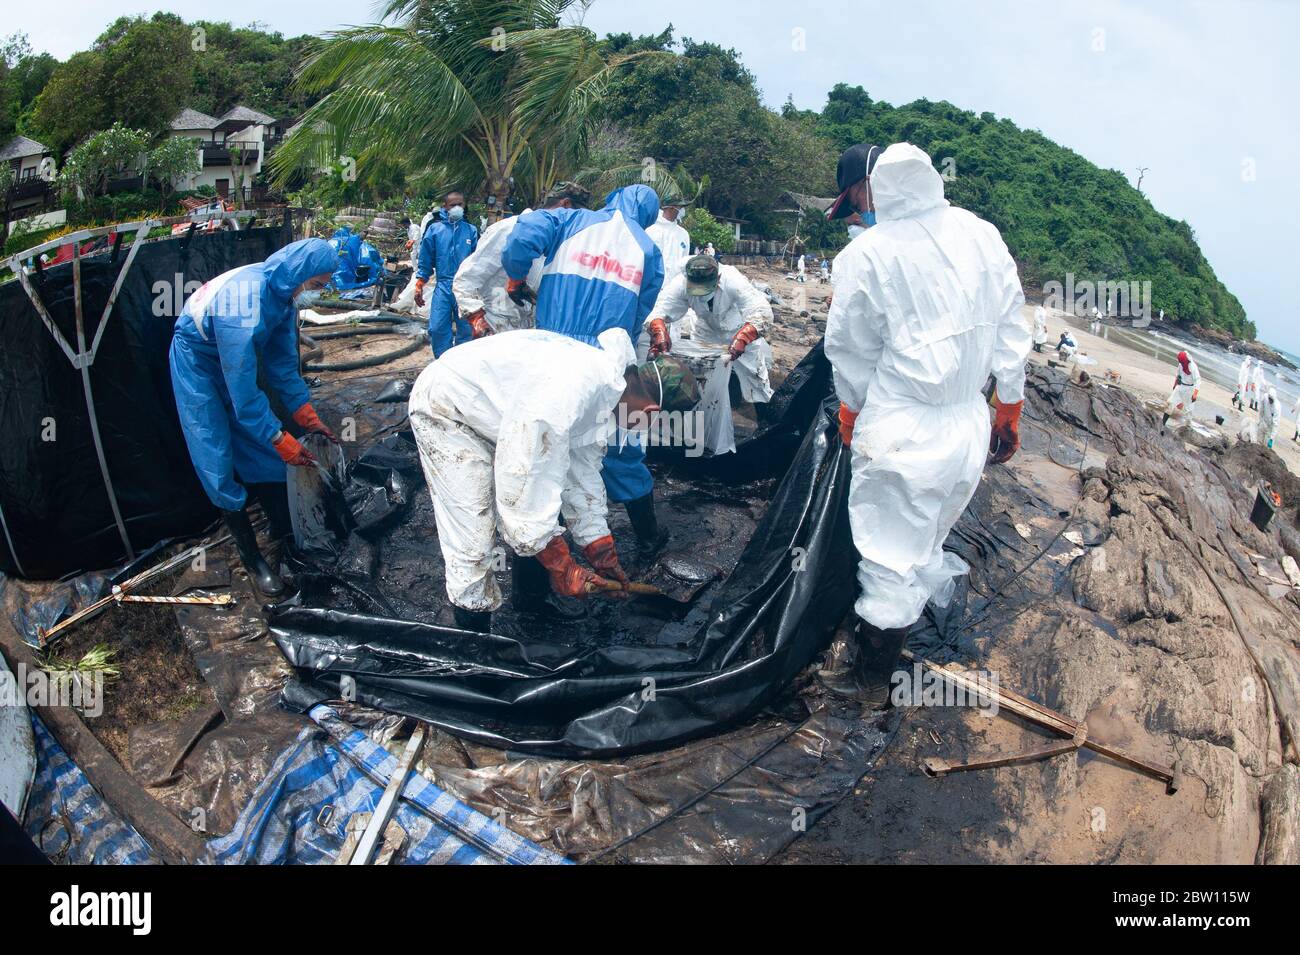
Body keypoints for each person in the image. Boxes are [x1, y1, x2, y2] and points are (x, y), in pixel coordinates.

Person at [825, 141, 1030, 706]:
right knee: (929, 533)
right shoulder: (981, 233)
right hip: (968, 423)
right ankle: (893, 635)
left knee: (890, 554)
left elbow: (850, 351)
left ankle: (869, 683)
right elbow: (1013, 324)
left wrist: (851, 410)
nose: (858, 211)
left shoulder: (869, 255)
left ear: (873, 187)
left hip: (903, 426)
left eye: (857, 200)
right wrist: (1008, 407)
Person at [407, 327, 698, 633]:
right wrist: (561, 565)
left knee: (538, 509)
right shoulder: (568, 393)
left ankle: (530, 602)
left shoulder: (607, 392)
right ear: (651, 410)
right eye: (650, 424)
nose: (642, 430)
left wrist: (599, 549)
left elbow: (581, 474)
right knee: (474, 540)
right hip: (448, 411)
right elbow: (521, 486)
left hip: (499, 415)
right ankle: (474, 648)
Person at [501, 184, 667, 557]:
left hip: (551, 352)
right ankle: (649, 538)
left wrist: (516, 275)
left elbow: (523, 235)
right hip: (608, 360)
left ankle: (537, 571)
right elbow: (640, 314)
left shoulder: (569, 219)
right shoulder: (649, 251)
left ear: (612, 198)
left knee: (543, 447)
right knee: (625, 444)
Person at [169, 238, 341, 597]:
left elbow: (281, 365)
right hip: (198, 360)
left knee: (263, 451)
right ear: (299, 274)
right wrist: (278, 437)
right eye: (317, 285)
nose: (318, 293)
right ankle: (253, 561)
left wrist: (306, 415)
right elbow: (244, 394)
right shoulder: (242, 304)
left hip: (233, 357)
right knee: (214, 449)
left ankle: (283, 528)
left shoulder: (281, 298)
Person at [451, 181, 591, 338]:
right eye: (578, 216)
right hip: (495, 327)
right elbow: (465, 279)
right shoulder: (508, 230)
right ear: (565, 205)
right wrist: (477, 319)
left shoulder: (558, 242)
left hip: (529, 332)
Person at [644, 254, 775, 405]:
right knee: (703, 379)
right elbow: (659, 310)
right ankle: (711, 409)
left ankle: (765, 413)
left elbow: (761, 311)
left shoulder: (733, 280)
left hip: (738, 331)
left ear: (718, 278)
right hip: (706, 333)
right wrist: (658, 331)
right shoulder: (680, 284)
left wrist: (743, 338)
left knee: (756, 378)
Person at [414, 191, 479, 356]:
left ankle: (462, 365)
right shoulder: (435, 230)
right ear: (445, 207)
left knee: (467, 329)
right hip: (443, 285)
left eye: (460, 204)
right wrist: (420, 284)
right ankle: (442, 363)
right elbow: (425, 260)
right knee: (437, 328)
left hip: (465, 288)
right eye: (453, 205)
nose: (457, 208)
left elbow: (478, 261)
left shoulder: (471, 231)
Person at [643, 196, 696, 342]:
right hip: (654, 289)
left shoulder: (683, 234)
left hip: (676, 290)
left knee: (673, 331)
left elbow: (684, 262)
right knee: (652, 326)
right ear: (672, 208)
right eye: (681, 207)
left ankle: (671, 361)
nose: (682, 210)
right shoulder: (652, 231)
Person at [1161, 350, 1200, 431]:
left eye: (1182, 361)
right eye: (1180, 362)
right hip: (1181, 386)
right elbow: (1178, 375)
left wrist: (1195, 394)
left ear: (1185, 360)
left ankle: (1188, 426)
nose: (1181, 363)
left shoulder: (1193, 367)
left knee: (1188, 410)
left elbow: (1198, 381)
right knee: (1170, 403)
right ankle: (1162, 424)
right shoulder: (1181, 365)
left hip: (1190, 389)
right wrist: (1175, 384)